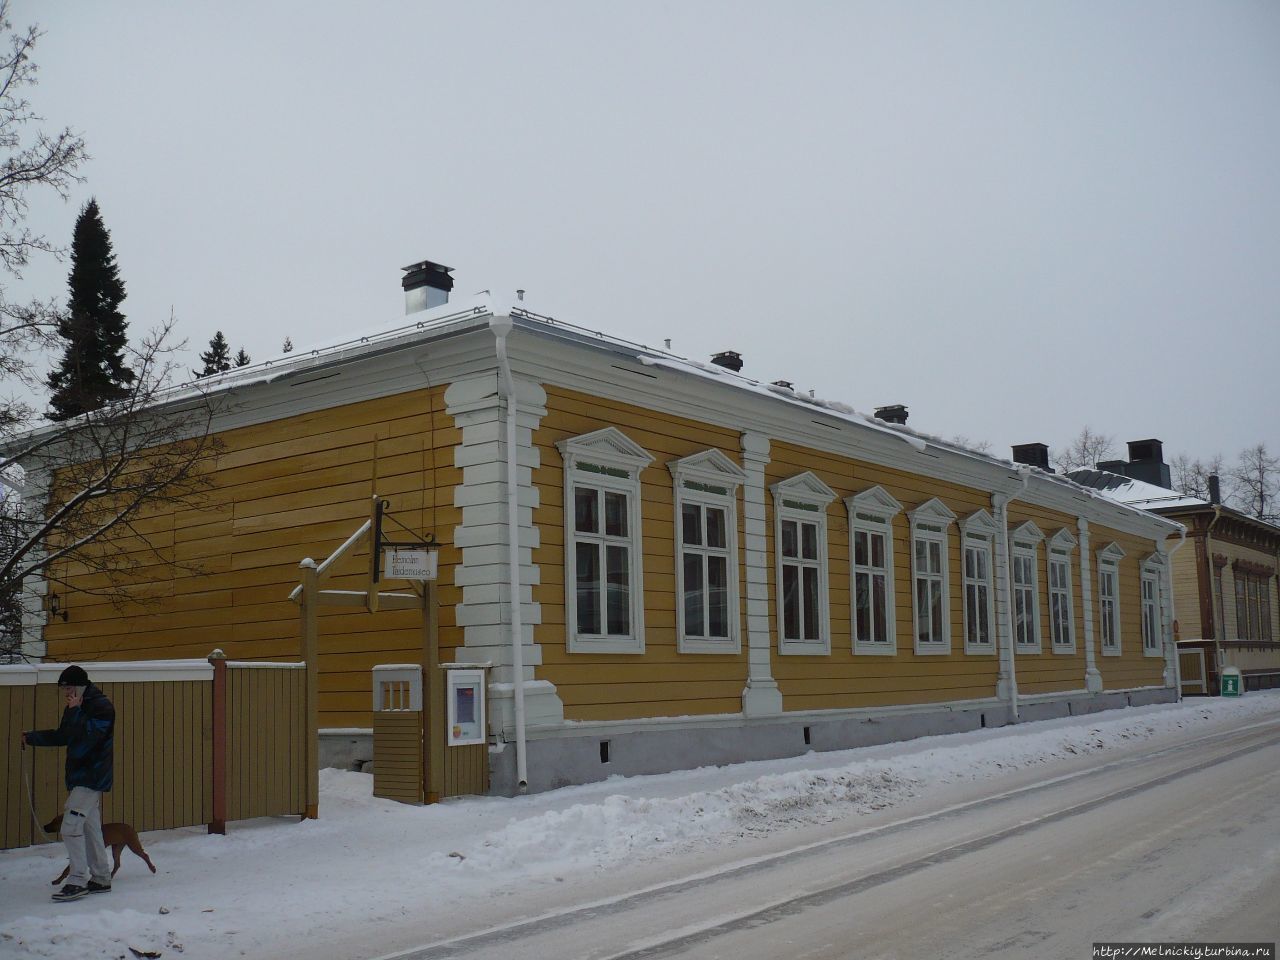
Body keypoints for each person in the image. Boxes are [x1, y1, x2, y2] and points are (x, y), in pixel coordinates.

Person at [22, 664, 116, 902]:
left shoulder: (101, 707)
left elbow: (87, 739)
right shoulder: (77, 706)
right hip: (79, 777)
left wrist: (75, 712)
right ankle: (101, 877)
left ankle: (77, 880)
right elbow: (64, 735)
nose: (66, 693)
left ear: (81, 686)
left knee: (71, 826)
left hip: (92, 777)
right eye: (64, 688)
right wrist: (32, 737)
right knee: (89, 827)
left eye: (70, 687)